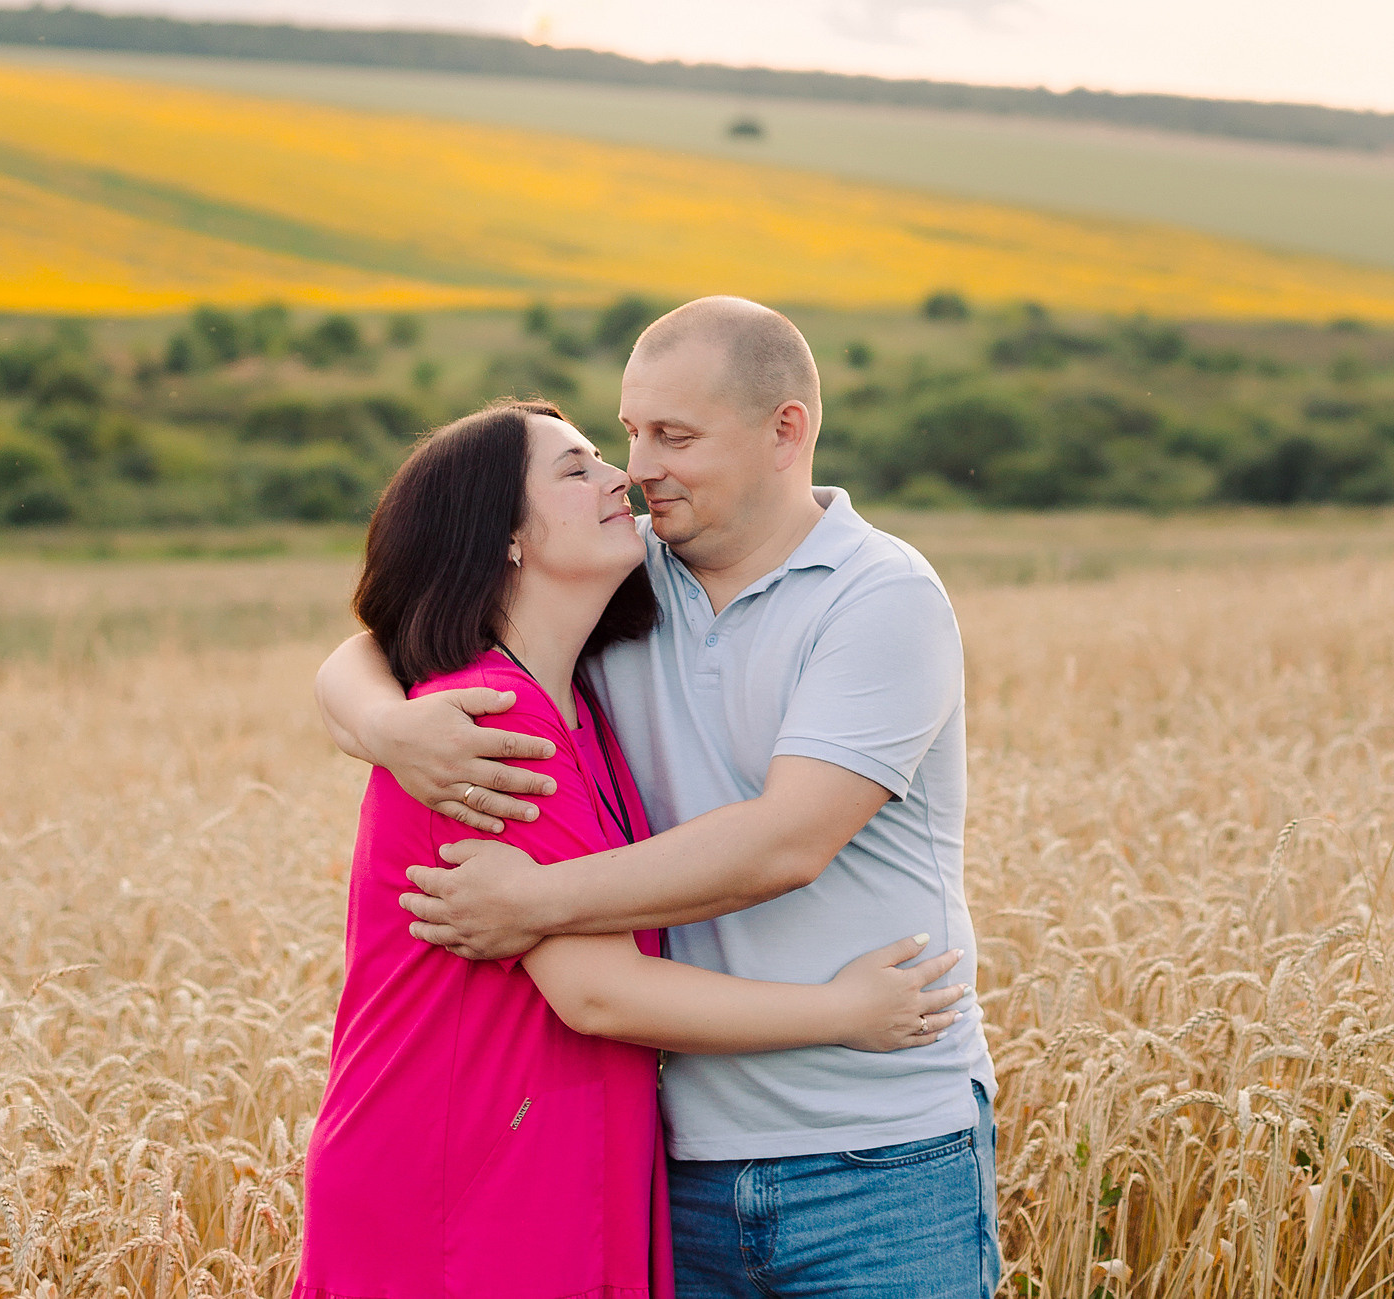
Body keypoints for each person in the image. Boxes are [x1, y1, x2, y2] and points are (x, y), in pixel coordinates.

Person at [317, 298, 1000, 1297]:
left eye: (672, 437)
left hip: (878, 1154)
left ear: (785, 431)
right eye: (629, 434)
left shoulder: (878, 597)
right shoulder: (624, 596)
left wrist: (527, 907)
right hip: (677, 1160)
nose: (636, 470)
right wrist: (387, 728)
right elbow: (402, 634)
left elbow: (783, 844)